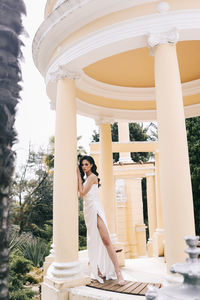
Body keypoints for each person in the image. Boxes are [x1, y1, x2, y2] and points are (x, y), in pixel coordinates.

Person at [77, 155, 125, 285]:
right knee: (93, 240)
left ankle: (118, 272)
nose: (84, 167)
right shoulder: (86, 178)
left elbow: (82, 192)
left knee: (106, 240)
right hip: (87, 210)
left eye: (86, 164)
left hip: (95, 209)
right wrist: (79, 177)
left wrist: (77, 174)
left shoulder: (93, 177)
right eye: (82, 165)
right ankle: (96, 269)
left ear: (91, 165)